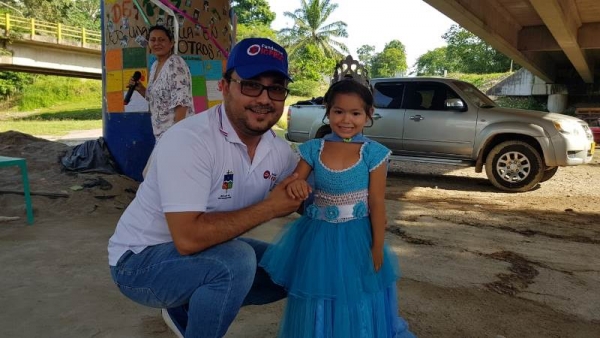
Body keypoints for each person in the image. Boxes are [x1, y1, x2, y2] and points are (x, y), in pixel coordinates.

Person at [108, 37, 302, 338]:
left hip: (204, 254)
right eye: (251, 84)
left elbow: (309, 196)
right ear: (224, 86)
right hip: (138, 263)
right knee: (235, 262)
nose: (264, 99)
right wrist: (272, 207)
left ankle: (183, 304)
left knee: (296, 269)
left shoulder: (278, 150)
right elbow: (188, 239)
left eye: (275, 88)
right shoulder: (191, 139)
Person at [259, 79, 416, 338]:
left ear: (368, 115)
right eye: (338, 111)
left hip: (358, 236)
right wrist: (295, 185)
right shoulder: (313, 149)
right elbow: (293, 181)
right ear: (328, 111)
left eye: (356, 113)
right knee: (319, 292)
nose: (346, 120)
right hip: (318, 236)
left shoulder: (374, 153)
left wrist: (377, 247)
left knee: (356, 293)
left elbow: (377, 202)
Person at [128, 25, 194, 177]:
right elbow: (155, 99)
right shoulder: (155, 66)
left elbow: (182, 101)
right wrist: (140, 88)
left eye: (162, 40)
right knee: (160, 177)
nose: (157, 43)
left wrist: (176, 136)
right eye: (153, 40)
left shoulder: (175, 64)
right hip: (161, 134)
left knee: (154, 176)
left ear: (171, 43)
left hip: (174, 134)